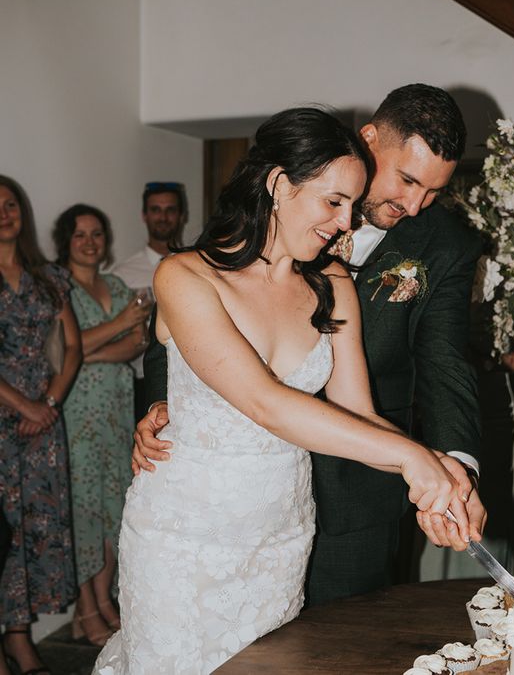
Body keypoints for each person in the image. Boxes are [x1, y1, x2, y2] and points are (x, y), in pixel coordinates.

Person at [93, 107, 472, 673]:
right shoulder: (185, 277)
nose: (346, 223)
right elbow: (263, 403)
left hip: (280, 537)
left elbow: (356, 411)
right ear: (277, 184)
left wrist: (444, 471)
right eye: (333, 202)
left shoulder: (334, 285)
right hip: (185, 539)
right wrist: (414, 457)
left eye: (352, 204)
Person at [53, 204, 151, 647]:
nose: (90, 243)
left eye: (96, 234)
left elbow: (135, 344)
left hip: (116, 409)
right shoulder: (58, 287)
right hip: (77, 414)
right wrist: (114, 328)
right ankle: (89, 608)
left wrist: (84, 353)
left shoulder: (114, 283)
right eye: (80, 235)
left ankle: (101, 605)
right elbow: (56, 355)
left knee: (116, 508)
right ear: (65, 241)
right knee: (84, 513)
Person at [0, 175, 81, 675]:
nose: (3, 212)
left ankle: (19, 636)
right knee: (1, 534)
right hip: (7, 417)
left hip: (43, 423)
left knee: (35, 530)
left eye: (9, 204)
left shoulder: (48, 276)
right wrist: (23, 405)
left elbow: (72, 347)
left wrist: (47, 402)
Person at [111, 182, 186, 419]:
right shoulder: (123, 273)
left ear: (181, 215)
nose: (163, 217)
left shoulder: (196, 267)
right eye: (155, 210)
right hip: (140, 382)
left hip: (188, 380)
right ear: (145, 215)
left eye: (170, 210)